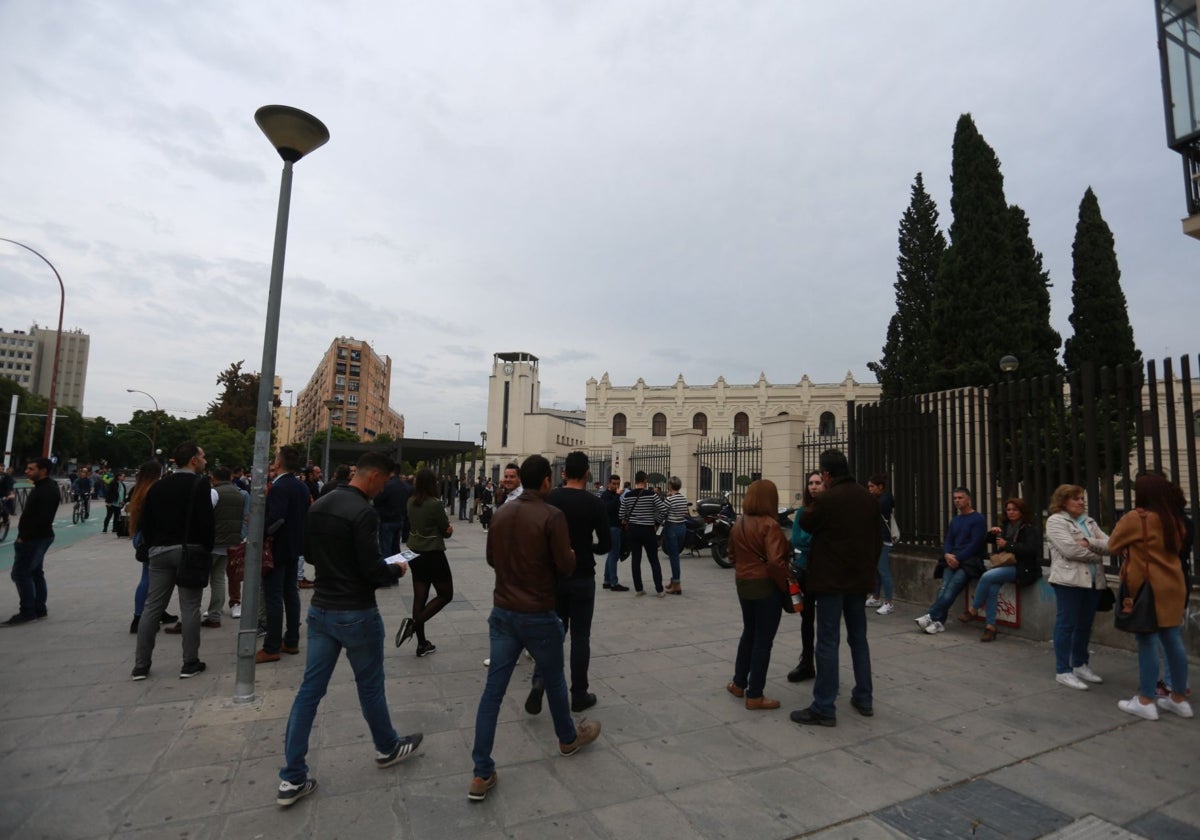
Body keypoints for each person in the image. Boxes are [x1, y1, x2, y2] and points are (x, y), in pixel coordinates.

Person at [276, 451, 422, 808]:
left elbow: (308, 555)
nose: (385, 488)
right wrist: (395, 570)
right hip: (356, 611)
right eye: (386, 481)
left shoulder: (320, 504)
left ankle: (291, 778)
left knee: (309, 692)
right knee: (370, 686)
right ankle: (387, 746)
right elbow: (371, 569)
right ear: (374, 476)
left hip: (322, 610)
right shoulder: (363, 512)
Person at [469, 455, 601, 802]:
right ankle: (568, 738)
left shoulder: (501, 513)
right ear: (545, 481)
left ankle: (481, 772)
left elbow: (490, 559)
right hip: (538, 611)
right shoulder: (550, 515)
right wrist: (569, 553)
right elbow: (565, 564)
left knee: (492, 693)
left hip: (503, 611)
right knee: (555, 679)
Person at [791, 450, 879, 726]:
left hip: (830, 581)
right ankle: (864, 697)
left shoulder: (827, 499)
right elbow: (877, 539)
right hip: (858, 580)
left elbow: (805, 521)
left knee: (828, 640)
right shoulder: (868, 497)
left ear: (827, 475)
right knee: (858, 639)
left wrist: (817, 498)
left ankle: (824, 707)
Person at [525, 451, 610, 715]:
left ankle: (539, 682)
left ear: (564, 473)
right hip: (583, 574)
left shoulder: (551, 498)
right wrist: (589, 548)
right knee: (580, 637)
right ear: (587, 472)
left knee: (552, 634)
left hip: (554, 576)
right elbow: (606, 543)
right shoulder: (594, 503)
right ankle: (579, 693)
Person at [1107, 474, 1192, 721]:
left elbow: (1113, 545)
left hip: (1148, 587)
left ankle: (1146, 700)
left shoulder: (1137, 517)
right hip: (1174, 585)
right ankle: (1178, 699)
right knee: (1173, 640)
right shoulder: (1175, 520)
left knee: (1147, 642)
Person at [131, 442, 214, 679]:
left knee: (152, 607)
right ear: (193, 460)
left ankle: (141, 665)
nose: (205, 461)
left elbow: (146, 522)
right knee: (190, 607)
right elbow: (207, 522)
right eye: (203, 457)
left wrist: (153, 546)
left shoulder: (158, 486)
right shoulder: (200, 485)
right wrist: (206, 549)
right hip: (190, 551)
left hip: (158, 551)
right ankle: (190, 662)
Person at [726, 478, 791, 711]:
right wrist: (783, 583)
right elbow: (775, 561)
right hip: (765, 586)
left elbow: (731, 555)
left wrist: (745, 568)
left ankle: (738, 682)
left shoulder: (739, 523)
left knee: (749, 632)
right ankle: (755, 694)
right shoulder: (770, 525)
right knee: (764, 639)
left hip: (743, 583)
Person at [1045, 484, 1111, 690]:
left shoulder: (1089, 521)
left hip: (1092, 581)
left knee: (1085, 624)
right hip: (1068, 580)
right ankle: (1063, 670)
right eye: (1076, 498)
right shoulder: (1056, 521)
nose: (1082, 502)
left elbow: (1111, 544)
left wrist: (1086, 541)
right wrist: (1097, 553)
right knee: (1067, 624)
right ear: (1063, 501)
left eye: (1082, 498)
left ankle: (1080, 663)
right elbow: (1070, 550)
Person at [258, 445, 311, 664]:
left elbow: (277, 519)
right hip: (294, 548)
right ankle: (291, 640)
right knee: (291, 593)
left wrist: (260, 533)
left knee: (273, 597)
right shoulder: (301, 486)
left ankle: (271, 646)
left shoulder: (280, 487)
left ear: (278, 463)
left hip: (277, 549)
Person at [962, 498, 1042, 642]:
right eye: (1008, 509)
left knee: (987, 576)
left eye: (1014, 509)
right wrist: (992, 533)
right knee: (992, 588)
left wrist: (1008, 545)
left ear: (1022, 512)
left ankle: (974, 609)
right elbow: (987, 540)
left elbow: (1031, 549)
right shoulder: (1005, 526)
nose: (1011, 512)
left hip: (1022, 569)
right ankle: (990, 627)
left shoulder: (1029, 528)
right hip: (1005, 565)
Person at [397, 468, 454, 658]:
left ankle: (422, 644)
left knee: (419, 597)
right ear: (433, 483)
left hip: (414, 552)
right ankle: (413, 624)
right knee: (445, 594)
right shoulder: (435, 504)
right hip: (433, 553)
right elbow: (445, 530)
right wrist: (449, 529)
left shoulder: (410, 501)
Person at [915, 487, 987, 635]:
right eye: (955, 498)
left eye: (960, 497)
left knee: (951, 589)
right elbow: (948, 539)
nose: (957, 501)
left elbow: (975, 544)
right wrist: (948, 554)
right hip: (951, 559)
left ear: (968, 499)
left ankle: (931, 616)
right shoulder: (955, 520)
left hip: (969, 562)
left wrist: (957, 558)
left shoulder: (978, 519)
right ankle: (938, 622)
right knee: (944, 589)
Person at [3, 457, 60, 626]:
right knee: (35, 571)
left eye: (31, 469)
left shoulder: (46, 490)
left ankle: (27, 611)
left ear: (43, 471)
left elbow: (42, 518)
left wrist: (24, 537)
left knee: (21, 573)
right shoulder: (45, 487)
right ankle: (39, 609)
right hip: (39, 536)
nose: (26, 471)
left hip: (34, 538)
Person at [127, 461, 176, 633]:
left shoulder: (138, 489)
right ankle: (139, 617)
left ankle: (155, 612)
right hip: (150, 537)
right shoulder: (154, 490)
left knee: (151, 577)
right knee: (150, 578)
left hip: (140, 535)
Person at [786, 470, 825, 683]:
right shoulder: (802, 512)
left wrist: (809, 540)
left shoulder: (828, 511)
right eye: (811, 483)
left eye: (818, 482)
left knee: (827, 621)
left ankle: (825, 664)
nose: (814, 486)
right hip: (803, 571)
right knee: (806, 618)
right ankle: (806, 661)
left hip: (824, 572)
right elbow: (798, 539)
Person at [204, 466, 248, 628]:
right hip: (230, 542)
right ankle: (215, 613)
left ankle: (211, 611)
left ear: (214, 479)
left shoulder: (214, 492)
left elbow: (205, 514)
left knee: (205, 577)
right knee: (218, 578)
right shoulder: (240, 494)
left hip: (214, 541)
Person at [618, 471, 667, 597]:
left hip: (633, 530)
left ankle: (639, 589)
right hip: (648, 530)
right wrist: (656, 521)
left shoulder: (628, 496)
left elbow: (621, 514)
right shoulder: (652, 495)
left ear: (635, 480)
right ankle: (659, 589)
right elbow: (663, 509)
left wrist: (628, 519)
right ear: (645, 480)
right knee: (654, 560)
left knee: (636, 559)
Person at [864, 474, 895, 615]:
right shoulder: (877, 499)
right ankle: (876, 597)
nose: (869, 489)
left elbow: (874, 509)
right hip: (875, 539)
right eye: (868, 486)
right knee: (876, 569)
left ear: (880, 487)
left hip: (884, 539)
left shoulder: (885, 499)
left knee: (883, 570)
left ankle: (889, 602)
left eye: (872, 486)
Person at [374, 465, 411, 557]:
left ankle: (388, 567)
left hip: (387, 520)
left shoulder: (387, 485)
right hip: (400, 519)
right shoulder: (405, 486)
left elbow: (377, 500)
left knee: (386, 548)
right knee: (395, 547)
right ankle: (397, 565)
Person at [599, 474, 628, 591]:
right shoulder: (606, 495)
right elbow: (608, 508)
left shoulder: (613, 495)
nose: (616, 486)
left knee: (611, 554)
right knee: (614, 555)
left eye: (617, 484)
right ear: (609, 484)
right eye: (614, 484)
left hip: (616, 526)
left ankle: (607, 580)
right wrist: (617, 496)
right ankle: (613, 583)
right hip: (612, 528)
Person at [661, 476, 690, 595]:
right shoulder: (683, 499)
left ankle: (677, 584)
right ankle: (674, 580)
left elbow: (663, 512)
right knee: (675, 555)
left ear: (670, 486)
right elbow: (685, 512)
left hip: (671, 527)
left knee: (674, 557)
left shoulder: (669, 500)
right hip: (682, 527)